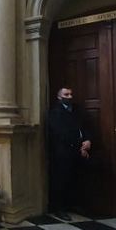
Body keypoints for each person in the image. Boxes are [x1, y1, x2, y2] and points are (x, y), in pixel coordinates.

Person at [47, 87, 92, 221]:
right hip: (63, 152)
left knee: (75, 179)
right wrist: (80, 146)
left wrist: (87, 140)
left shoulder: (77, 110)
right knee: (61, 180)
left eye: (71, 94)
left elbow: (84, 127)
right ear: (59, 97)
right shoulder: (55, 113)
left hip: (77, 151)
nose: (70, 96)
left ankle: (73, 204)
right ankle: (59, 208)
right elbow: (61, 133)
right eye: (66, 94)